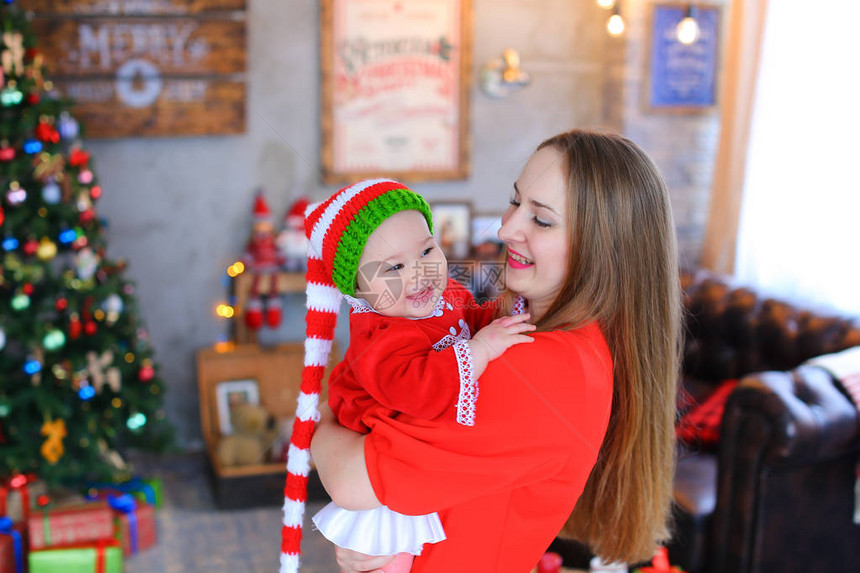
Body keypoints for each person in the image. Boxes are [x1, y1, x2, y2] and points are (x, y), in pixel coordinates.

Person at [310, 130, 683, 573]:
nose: (506, 228)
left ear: (606, 248)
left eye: (541, 220)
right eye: (515, 200)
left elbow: (352, 480)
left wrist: (323, 423)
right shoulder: (520, 327)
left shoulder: (548, 367)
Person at [279, 179, 536, 573]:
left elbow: (472, 319)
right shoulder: (379, 337)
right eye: (394, 267)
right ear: (359, 292)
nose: (420, 273)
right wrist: (481, 350)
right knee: (390, 556)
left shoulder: (444, 295)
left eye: (427, 250)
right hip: (380, 462)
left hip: (418, 468)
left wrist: (505, 316)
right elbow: (417, 390)